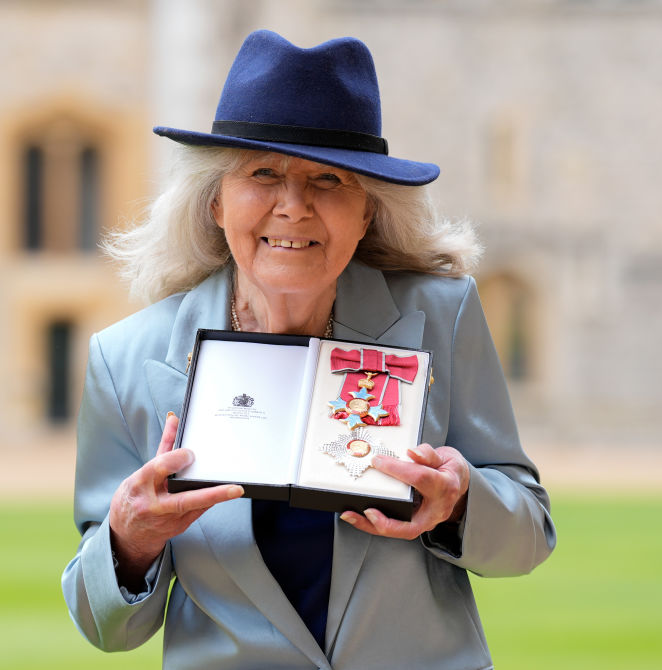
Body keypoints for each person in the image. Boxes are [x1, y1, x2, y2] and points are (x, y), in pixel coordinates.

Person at [62, 30, 556, 670]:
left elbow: (528, 538)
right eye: (262, 174)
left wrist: (458, 503)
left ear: (368, 213)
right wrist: (129, 540)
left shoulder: (442, 317)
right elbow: (106, 626)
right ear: (216, 201)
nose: (293, 206)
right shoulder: (126, 359)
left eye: (328, 179)